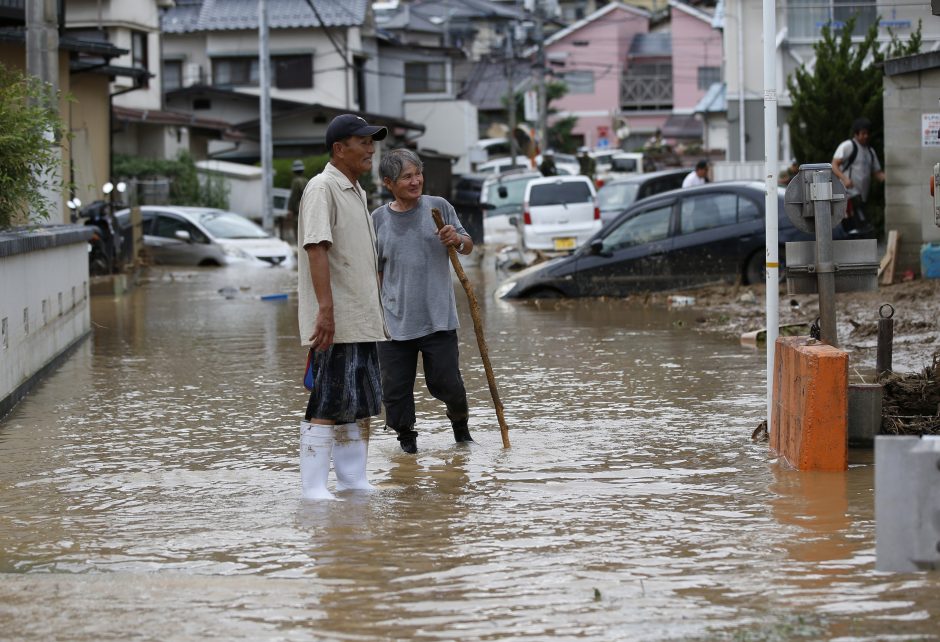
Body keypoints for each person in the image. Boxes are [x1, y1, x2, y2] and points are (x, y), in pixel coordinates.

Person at [296, 114, 389, 500]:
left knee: (358, 401)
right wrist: (325, 311)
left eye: (372, 142)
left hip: (362, 317)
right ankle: (314, 489)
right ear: (339, 149)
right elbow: (317, 247)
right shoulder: (322, 187)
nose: (370, 149)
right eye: (362, 142)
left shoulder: (357, 191)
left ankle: (353, 481)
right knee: (329, 398)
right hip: (337, 319)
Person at [372, 148, 475, 454]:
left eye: (418, 174)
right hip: (393, 323)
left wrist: (455, 239)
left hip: (438, 318)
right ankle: (407, 446)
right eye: (407, 176)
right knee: (394, 392)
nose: (416, 181)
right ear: (388, 183)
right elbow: (374, 272)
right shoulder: (377, 219)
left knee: (448, 384)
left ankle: (462, 433)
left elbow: (468, 245)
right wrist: (373, 317)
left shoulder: (439, 207)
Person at [831, 117, 885, 234]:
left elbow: (877, 172)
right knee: (857, 225)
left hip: (862, 196)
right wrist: (844, 178)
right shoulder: (848, 146)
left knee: (861, 227)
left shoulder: (870, 151)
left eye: (867, 133)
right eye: (863, 133)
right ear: (856, 134)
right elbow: (834, 164)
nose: (866, 136)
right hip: (849, 195)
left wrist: (889, 180)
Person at [284, 159, 306, 244]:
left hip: (297, 209)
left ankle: (299, 244)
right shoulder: (306, 180)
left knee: (297, 228)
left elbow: (293, 197)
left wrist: (290, 209)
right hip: (306, 208)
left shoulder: (295, 181)